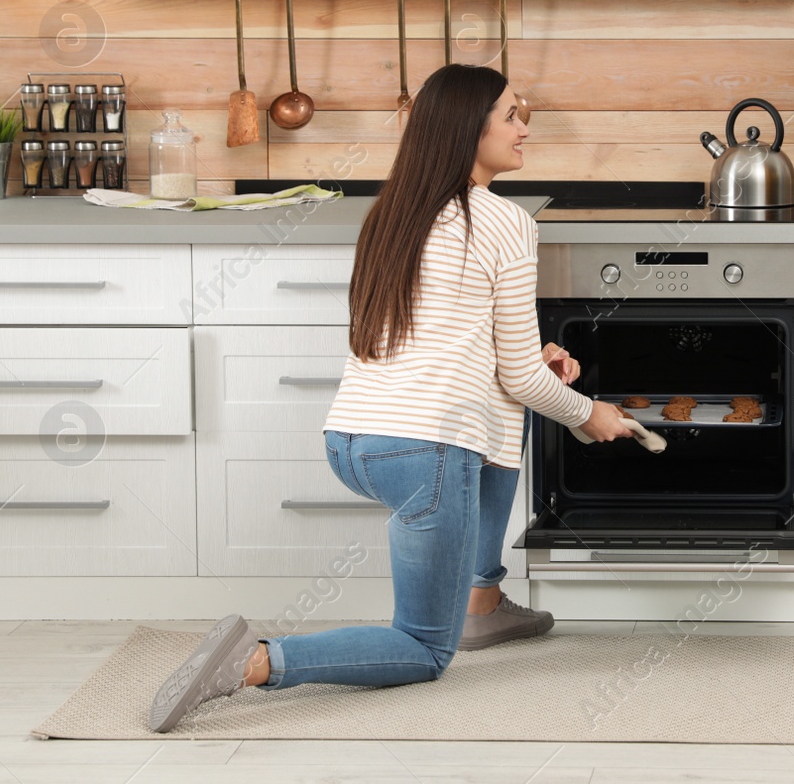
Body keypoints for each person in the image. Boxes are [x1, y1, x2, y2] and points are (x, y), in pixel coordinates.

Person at [148, 64, 634, 733]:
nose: (526, 127)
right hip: (425, 454)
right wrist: (591, 415)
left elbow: (469, 351)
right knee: (423, 648)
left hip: (352, 440)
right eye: (513, 115)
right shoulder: (506, 221)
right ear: (469, 128)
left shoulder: (393, 213)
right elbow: (522, 380)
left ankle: (483, 602)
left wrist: (538, 363)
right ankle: (254, 660)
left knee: (502, 415)